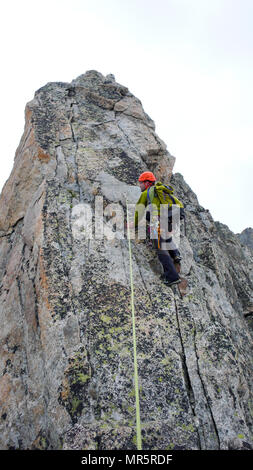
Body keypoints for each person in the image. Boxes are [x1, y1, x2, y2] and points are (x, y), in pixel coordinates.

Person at [134, 171, 182, 287]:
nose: (139, 185)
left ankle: (172, 277)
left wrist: (133, 224)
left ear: (146, 183)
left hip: (156, 221)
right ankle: (175, 254)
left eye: (140, 183)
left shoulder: (146, 193)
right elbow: (179, 204)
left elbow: (139, 210)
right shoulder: (162, 191)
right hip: (168, 220)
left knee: (160, 249)